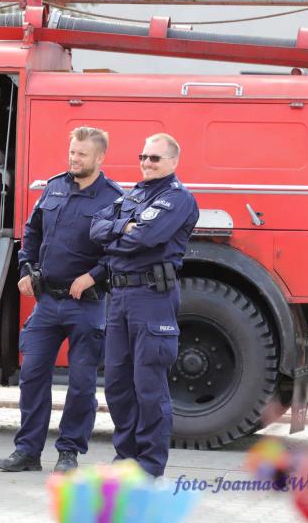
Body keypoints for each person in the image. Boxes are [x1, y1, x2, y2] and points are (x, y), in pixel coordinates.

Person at [0, 127, 123, 474]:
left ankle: (69, 452)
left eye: (82, 154)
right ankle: (27, 452)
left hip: (87, 304)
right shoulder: (54, 187)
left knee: (81, 383)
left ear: (100, 158)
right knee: (32, 375)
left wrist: (93, 275)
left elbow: (120, 251)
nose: (74, 159)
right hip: (48, 302)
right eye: (72, 152)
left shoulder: (114, 199)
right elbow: (32, 231)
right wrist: (26, 267)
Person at [89, 132, 199, 478]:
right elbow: (94, 228)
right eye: (143, 156)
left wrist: (116, 236)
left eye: (154, 158)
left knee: (148, 385)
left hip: (152, 297)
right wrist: (125, 228)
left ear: (173, 162)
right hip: (120, 297)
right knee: (118, 384)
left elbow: (145, 238)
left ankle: (150, 465)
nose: (146, 163)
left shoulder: (178, 198)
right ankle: (126, 459)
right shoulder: (133, 194)